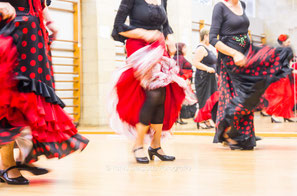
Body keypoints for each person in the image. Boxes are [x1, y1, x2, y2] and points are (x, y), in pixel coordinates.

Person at [0, 0, 89, 185]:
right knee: (9, 95)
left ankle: (22, 157)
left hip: (33, 32)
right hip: (9, 27)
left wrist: (48, 21)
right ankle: (6, 165)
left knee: (31, 97)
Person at [110, 0, 188, 164]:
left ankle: (156, 145)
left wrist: (170, 37)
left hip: (159, 47)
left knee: (162, 95)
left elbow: (165, 25)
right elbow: (117, 27)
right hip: (139, 46)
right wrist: (143, 33)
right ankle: (138, 145)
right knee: (154, 94)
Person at [210, 0, 293, 150]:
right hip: (231, 57)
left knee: (255, 87)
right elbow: (212, 39)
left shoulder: (242, 4)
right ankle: (227, 131)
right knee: (245, 93)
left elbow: (243, 33)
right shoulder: (220, 7)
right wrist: (235, 53)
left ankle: (245, 135)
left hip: (246, 53)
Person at [263, 34, 296, 122]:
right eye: (288, 42)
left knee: (288, 95)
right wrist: (290, 69)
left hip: (284, 75)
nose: (289, 43)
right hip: (280, 76)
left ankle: (287, 115)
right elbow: (280, 64)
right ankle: (275, 115)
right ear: (283, 42)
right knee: (279, 96)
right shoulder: (283, 50)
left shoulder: (282, 49)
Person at [193, 29, 219, 129]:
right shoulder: (200, 48)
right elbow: (195, 62)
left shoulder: (208, 48)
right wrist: (208, 68)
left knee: (211, 98)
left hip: (211, 78)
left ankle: (207, 119)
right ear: (205, 36)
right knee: (204, 99)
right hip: (203, 78)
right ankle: (202, 120)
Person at [173, 43, 196, 124]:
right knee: (179, 100)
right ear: (180, 48)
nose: (186, 50)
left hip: (182, 80)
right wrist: (185, 77)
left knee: (179, 100)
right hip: (182, 81)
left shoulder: (177, 57)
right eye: (185, 48)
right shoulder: (179, 58)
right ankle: (177, 118)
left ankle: (178, 118)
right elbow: (178, 69)